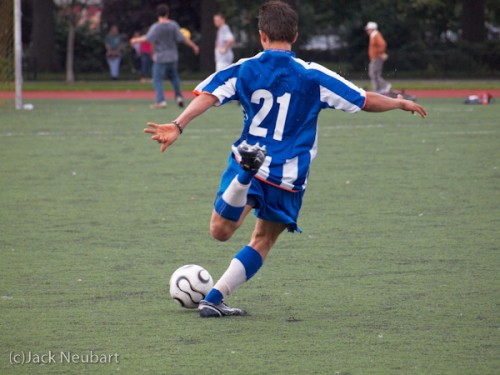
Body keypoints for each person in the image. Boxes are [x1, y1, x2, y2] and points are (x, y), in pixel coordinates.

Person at [144, 0, 427, 318]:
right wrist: (399, 103)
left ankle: (244, 178)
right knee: (262, 240)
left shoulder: (246, 68)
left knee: (220, 231)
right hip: (288, 174)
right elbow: (363, 100)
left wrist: (178, 125)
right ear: (296, 36)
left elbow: (210, 95)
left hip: (249, 155)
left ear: (262, 35)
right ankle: (214, 297)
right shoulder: (312, 75)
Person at [130, 4, 199, 109]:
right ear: (167, 13)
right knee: (174, 78)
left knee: (157, 79)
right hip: (173, 57)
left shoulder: (156, 27)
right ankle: (179, 97)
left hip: (160, 58)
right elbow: (183, 38)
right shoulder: (174, 25)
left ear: (157, 14)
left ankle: (161, 100)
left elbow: (147, 38)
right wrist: (194, 45)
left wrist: (135, 40)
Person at [365, 21, 391, 94]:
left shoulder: (376, 35)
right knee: (375, 73)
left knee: (373, 73)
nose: (367, 31)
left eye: (368, 29)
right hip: (375, 57)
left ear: (372, 29)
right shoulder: (374, 35)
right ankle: (379, 89)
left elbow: (383, 44)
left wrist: (379, 53)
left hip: (376, 58)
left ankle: (383, 86)